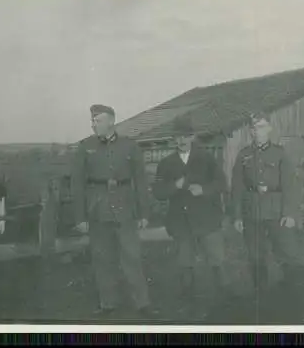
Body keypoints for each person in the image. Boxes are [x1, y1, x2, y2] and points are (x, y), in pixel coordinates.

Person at [230, 111, 304, 321]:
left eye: (261, 127)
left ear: (269, 129)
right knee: (256, 258)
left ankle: (300, 303)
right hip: (252, 214)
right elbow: (237, 188)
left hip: (278, 213)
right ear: (250, 131)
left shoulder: (280, 153)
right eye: (253, 128)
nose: (257, 131)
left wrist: (289, 213)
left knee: (288, 256)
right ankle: (262, 304)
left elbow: (291, 186)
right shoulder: (243, 155)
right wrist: (237, 216)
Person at [71, 104, 155, 318]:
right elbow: (77, 185)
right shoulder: (85, 147)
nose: (93, 125)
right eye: (92, 121)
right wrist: (80, 217)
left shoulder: (129, 146)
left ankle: (142, 303)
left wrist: (144, 213)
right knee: (102, 258)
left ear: (111, 121)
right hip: (97, 211)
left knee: (132, 257)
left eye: (97, 120)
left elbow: (140, 181)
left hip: (125, 210)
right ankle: (107, 303)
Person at [152, 117, 228, 303]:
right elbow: (158, 192)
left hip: (207, 218)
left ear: (192, 137)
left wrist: (204, 190)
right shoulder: (166, 163)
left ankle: (224, 295)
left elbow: (221, 183)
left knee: (216, 257)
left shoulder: (206, 158)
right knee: (185, 261)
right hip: (180, 221)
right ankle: (188, 298)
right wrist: (174, 186)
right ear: (173, 139)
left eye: (185, 136)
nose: (182, 141)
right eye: (177, 137)